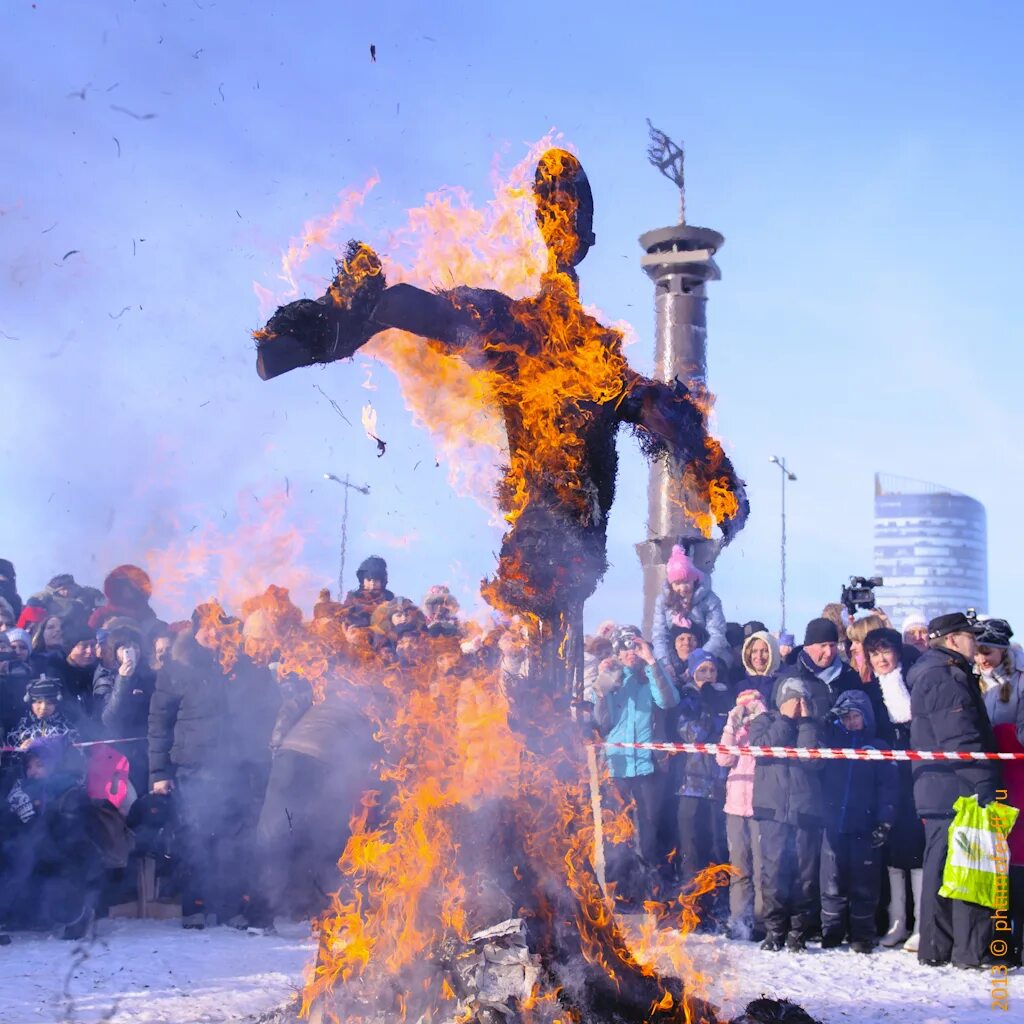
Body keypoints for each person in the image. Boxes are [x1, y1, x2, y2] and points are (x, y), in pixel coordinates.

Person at [909, 612, 1003, 969]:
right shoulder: (946, 676)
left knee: (942, 869)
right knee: (968, 870)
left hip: (939, 787)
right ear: (951, 639)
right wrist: (983, 780)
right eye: (970, 636)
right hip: (957, 787)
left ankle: (938, 948)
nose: (975, 642)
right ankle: (968, 950)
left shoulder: (935, 671)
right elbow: (960, 738)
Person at [593, 625, 679, 904]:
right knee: (618, 833)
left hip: (648, 767)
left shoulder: (652, 674)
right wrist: (603, 683)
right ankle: (620, 894)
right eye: (624, 647)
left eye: (635, 645)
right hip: (617, 768)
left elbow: (668, 701)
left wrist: (651, 660)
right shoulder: (612, 678)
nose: (630, 652)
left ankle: (648, 895)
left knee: (647, 832)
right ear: (616, 652)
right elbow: (602, 721)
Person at [749, 677, 825, 952]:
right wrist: (784, 719)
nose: (796, 703)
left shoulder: (814, 725)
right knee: (774, 872)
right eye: (792, 698)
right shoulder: (764, 721)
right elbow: (762, 748)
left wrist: (805, 722)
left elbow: (810, 759)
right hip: (773, 810)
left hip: (805, 810)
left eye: (801, 699)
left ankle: (798, 931)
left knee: (805, 874)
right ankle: (774, 930)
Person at [819, 690, 897, 953]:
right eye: (846, 717)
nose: (851, 722)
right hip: (834, 824)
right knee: (832, 882)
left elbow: (888, 787)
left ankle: (862, 934)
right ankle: (831, 931)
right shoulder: (832, 744)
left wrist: (885, 821)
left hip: (865, 826)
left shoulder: (878, 747)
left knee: (864, 884)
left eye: (855, 716)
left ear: (866, 717)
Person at [863, 627, 925, 951]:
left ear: (897, 652)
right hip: (886, 778)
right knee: (892, 848)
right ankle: (897, 920)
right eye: (874, 654)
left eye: (885, 651)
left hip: (918, 775)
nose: (881, 659)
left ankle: (921, 923)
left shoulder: (914, 681)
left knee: (917, 846)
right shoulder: (871, 691)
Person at [674, 648, 733, 925]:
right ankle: (692, 909)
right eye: (702, 671)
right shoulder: (686, 699)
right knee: (691, 850)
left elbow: (729, 735)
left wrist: (717, 706)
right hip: (691, 784)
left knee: (717, 849)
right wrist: (706, 708)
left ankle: (717, 908)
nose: (708, 675)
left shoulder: (725, 697)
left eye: (712, 670)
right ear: (693, 673)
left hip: (719, 783)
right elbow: (691, 734)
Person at [978, 619, 1024, 965]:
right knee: (992, 855)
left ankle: (1015, 938)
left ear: (1003, 651)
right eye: (978, 651)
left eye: (988, 652)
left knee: (1015, 854)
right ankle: (996, 938)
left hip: (1016, 777)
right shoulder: (973, 681)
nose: (982, 658)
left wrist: (1005, 735)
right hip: (986, 777)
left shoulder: (1019, 682)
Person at [717, 688, 768, 941]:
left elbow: (767, 751)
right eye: (744, 707)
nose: (748, 712)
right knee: (739, 868)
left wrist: (762, 718)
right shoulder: (736, 734)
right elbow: (722, 759)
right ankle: (738, 921)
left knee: (761, 869)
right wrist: (731, 724)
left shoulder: (764, 731)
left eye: (752, 706)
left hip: (760, 807)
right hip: (735, 807)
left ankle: (761, 922)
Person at [92, 620, 155, 797]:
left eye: (135, 647)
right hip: (120, 756)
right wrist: (123, 681)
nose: (131, 652)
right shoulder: (106, 678)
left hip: (148, 751)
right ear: (115, 652)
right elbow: (109, 719)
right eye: (125, 648)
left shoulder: (150, 676)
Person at [652, 545, 729, 668]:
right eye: (677, 583)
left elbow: (717, 635)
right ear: (671, 584)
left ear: (694, 579)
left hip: (706, 654)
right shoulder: (663, 601)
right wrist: (666, 664)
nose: (683, 588)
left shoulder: (709, 600)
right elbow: (660, 636)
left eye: (686, 582)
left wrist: (698, 662)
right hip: (674, 655)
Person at [771, 618, 860, 723]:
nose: (828, 652)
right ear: (807, 647)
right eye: (823, 646)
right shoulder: (788, 679)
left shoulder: (849, 675)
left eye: (832, 645)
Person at [5, 675, 80, 749]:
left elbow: (76, 748)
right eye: (39, 702)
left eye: (49, 703)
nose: (43, 707)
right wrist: (21, 749)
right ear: (30, 703)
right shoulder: (21, 726)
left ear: (56, 705)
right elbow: (9, 749)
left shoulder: (66, 726)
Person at [341, 556, 395, 624]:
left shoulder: (389, 597)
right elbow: (342, 615)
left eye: (376, 580)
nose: (372, 584)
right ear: (362, 580)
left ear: (382, 581)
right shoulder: (353, 596)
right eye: (369, 580)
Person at [1, 628, 35, 735]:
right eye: (13, 647)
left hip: (23, 727)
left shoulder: (32, 673)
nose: (17, 651)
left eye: (23, 647)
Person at [738, 630, 781, 705]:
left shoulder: (782, 685)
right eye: (754, 651)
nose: (759, 656)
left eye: (765, 651)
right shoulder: (740, 687)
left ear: (773, 653)